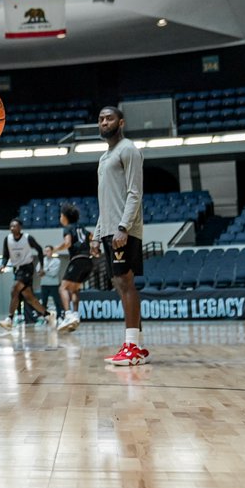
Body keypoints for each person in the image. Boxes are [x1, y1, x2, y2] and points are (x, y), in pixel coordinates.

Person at [92, 106, 148, 365]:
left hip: (124, 230)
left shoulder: (129, 150)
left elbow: (135, 192)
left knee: (126, 283)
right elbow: (105, 201)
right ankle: (137, 345)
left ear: (121, 122)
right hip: (109, 230)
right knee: (120, 283)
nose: (104, 122)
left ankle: (132, 347)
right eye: (101, 119)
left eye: (109, 118)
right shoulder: (104, 158)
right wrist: (97, 234)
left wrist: (124, 227)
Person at [0, 219, 54, 330]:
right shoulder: (7, 239)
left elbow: (39, 249)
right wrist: (3, 265)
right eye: (11, 226)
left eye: (15, 226)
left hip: (27, 268)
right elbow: (5, 255)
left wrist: (41, 267)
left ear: (20, 227)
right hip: (17, 270)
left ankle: (10, 319)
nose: (12, 228)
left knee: (14, 289)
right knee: (30, 298)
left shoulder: (27, 238)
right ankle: (47, 315)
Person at [56, 202, 92, 332]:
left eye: (61, 215)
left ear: (65, 217)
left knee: (63, 288)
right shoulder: (83, 228)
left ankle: (68, 315)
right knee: (75, 289)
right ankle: (75, 315)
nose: (60, 218)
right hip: (88, 261)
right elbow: (92, 238)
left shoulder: (68, 228)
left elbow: (67, 243)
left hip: (77, 260)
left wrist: (56, 249)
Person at [37, 246, 64, 319]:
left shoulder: (57, 261)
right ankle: (43, 316)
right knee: (44, 302)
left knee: (57, 301)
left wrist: (44, 271)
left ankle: (59, 316)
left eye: (48, 251)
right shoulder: (41, 260)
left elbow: (54, 273)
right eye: (45, 251)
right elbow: (38, 271)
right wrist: (48, 270)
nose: (47, 252)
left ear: (52, 251)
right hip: (44, 284)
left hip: (54, 284)